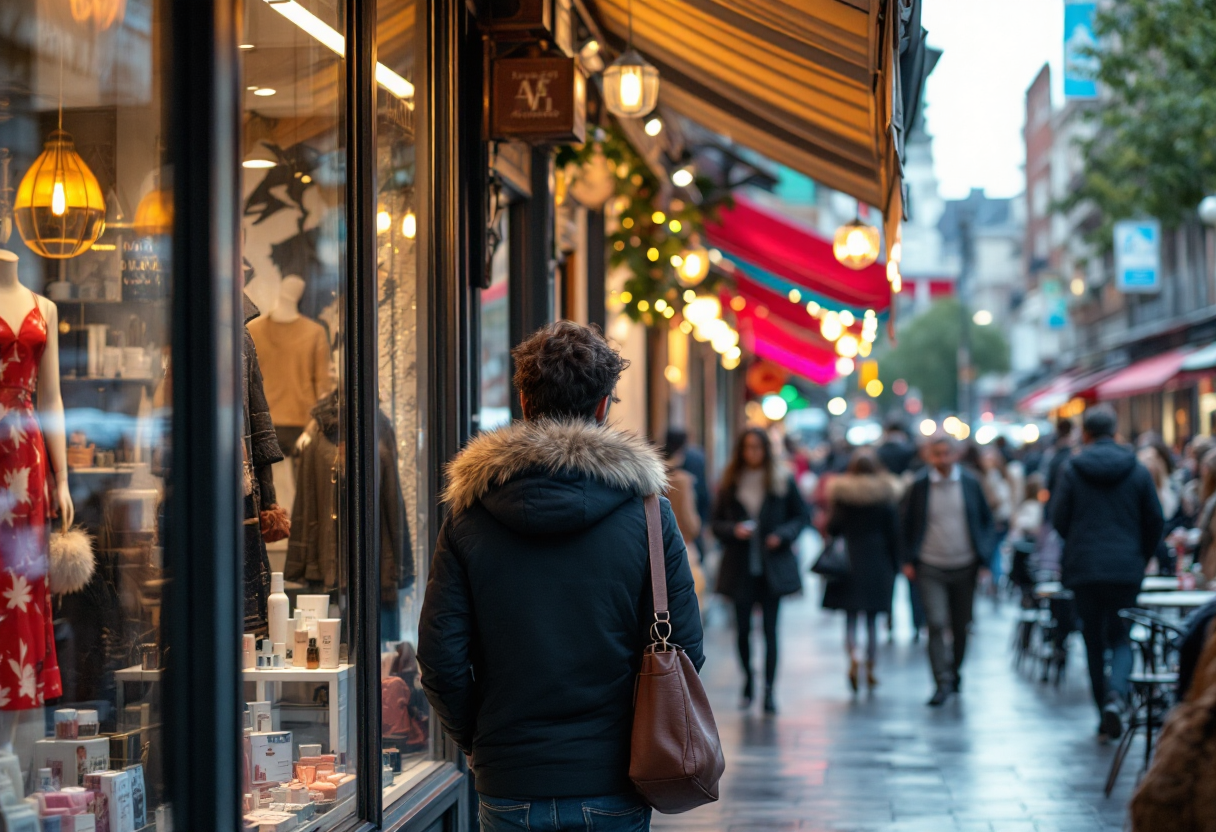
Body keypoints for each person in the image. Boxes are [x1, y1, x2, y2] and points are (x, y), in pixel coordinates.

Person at [417, 321, 703, 831]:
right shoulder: (649, 515)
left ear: (524, 402)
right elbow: (684, 649)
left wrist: (482, 740)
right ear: (602, 406)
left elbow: (441, 659)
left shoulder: (470, 515)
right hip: (613, 778)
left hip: (510, 779)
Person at [1052, 406, 1164, 742]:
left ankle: (1104, 711)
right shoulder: (1138, 470)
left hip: (1085, 567)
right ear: (1115, 432)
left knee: (1092, 640)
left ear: (1084, 433)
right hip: (1125, 567)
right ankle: (1117, 695)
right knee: (1121, 636)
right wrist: (1140, 555)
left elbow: (1058, 518)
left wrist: (1077, 544)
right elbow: (1155, 519)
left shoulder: (1072, 469)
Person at [712, 427, 809, 714]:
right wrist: (734, 530)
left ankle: (768, 690)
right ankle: (748, 681)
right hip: (740, 566)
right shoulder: (730, 482)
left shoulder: (781, 480)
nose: (753, 453)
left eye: (758, 447)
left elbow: (802, 515)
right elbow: (715, 524)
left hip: (771, 567)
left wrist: (783, 534)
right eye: (748, 447)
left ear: (766, 450)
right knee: (742, 631)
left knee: (770, 631)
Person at [902, 435, 995, 706]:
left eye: (947, 453)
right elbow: (906, 522)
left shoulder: (970, 483)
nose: (942, 459)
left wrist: (985, 561)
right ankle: (940, 681)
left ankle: (954, 672)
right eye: (937, 454)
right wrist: (908, 559)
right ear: (929, 456)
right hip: (931, 564)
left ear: (956, 455)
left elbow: (986, 522)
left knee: (960, 625)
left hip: (965, 565)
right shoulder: (919, 485)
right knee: (936, 622)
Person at [822, 448, 903, 692]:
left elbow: (833, 528)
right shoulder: (886, 495)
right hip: (878, 562)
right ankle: (871, 664)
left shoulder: (843, 495)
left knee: (850, 618)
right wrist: (897, 564)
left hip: (849, 562)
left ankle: (853, 657)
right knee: (871, 619)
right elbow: (894, 534)